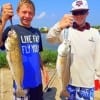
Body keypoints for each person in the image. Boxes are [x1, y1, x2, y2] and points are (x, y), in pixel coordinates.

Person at [47, 0, 100, 99]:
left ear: (87, 13)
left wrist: (97, 80)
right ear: (72, 14)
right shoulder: (66, 31)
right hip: (68, 83)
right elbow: (50, 39)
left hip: (87, 84)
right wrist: (59, 25)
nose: (79, 15)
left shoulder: (95, 33)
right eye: (76, 13)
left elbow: (98, 59)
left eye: (82, 12)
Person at [0, 0, 44, 100]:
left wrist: (44, 69)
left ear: (34, 14)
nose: (27, 16)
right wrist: (3, 19)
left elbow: (37, 53)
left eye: (30, 13)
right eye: (24, 12)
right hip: (21, 82)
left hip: (37, 82)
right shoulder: (11, 30)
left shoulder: (37, 32)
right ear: (18, 12)